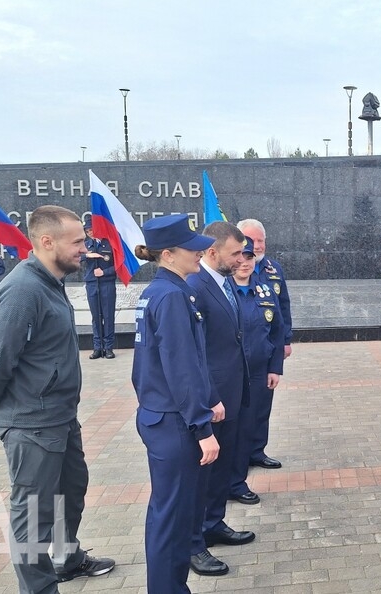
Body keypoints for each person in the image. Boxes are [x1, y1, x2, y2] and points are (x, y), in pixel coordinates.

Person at [0, 205, 115, 593]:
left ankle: (67, 558)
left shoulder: (50, 282)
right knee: (33, 516)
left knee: (70, 493)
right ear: (47, 242)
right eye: (78, 241)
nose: (85, 248)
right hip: (32, 424)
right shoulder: (22, 290)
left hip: (59, 417)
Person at [130, 213, 221, 592]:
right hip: (174, 422)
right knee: (172, 518)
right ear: (168, 254)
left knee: (171, 514)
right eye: (191, 248)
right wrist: (202, 426)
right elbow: (181, 367)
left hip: (161, 416)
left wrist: (208, 401)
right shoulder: (171, 297)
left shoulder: (161, 291)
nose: (199, 253)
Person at [184, 220, 254, 576]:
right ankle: (194, 543)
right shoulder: (194, 287)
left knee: (222, 466)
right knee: (202, 474)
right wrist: (209, 397)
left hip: (232, 392)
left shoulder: (223, 282)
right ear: (212, 252)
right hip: (211, 398)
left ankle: (213, 523)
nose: (242, 259)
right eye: (235, 252)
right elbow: (194, 354)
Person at [227, 236, 286, 506]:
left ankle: (237, 482)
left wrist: (275, 368)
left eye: (249, 257)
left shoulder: (265, 291)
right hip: (229, 375)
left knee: (248, 428)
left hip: (259, 372)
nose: (244, 262)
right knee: (230, 430)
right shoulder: (221, 291)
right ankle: (222, 483)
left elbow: (276, 331)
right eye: (239, 256)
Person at [237, 218, 290, 470]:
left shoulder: (273, 270)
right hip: (237, 359)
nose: (256, 246)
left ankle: (257, 451)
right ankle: (238, 456)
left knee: (261, 406)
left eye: (260, 240)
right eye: (251, 241)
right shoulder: (227, 276)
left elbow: (282, 312)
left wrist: (284, 345)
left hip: (265, 352)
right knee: (240, 411)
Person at [80, 216, 117, 359]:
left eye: (91, 229)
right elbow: (75, 258)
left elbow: (119, 266)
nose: (90, 232)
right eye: (87, 230)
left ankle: (108, 348)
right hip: (91, 283)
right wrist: (87, 256)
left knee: (108, 315)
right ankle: (97, 347)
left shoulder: (109, 244)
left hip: (107, 283)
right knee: (95, 317)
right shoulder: (86, 245)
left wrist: (104, 272)